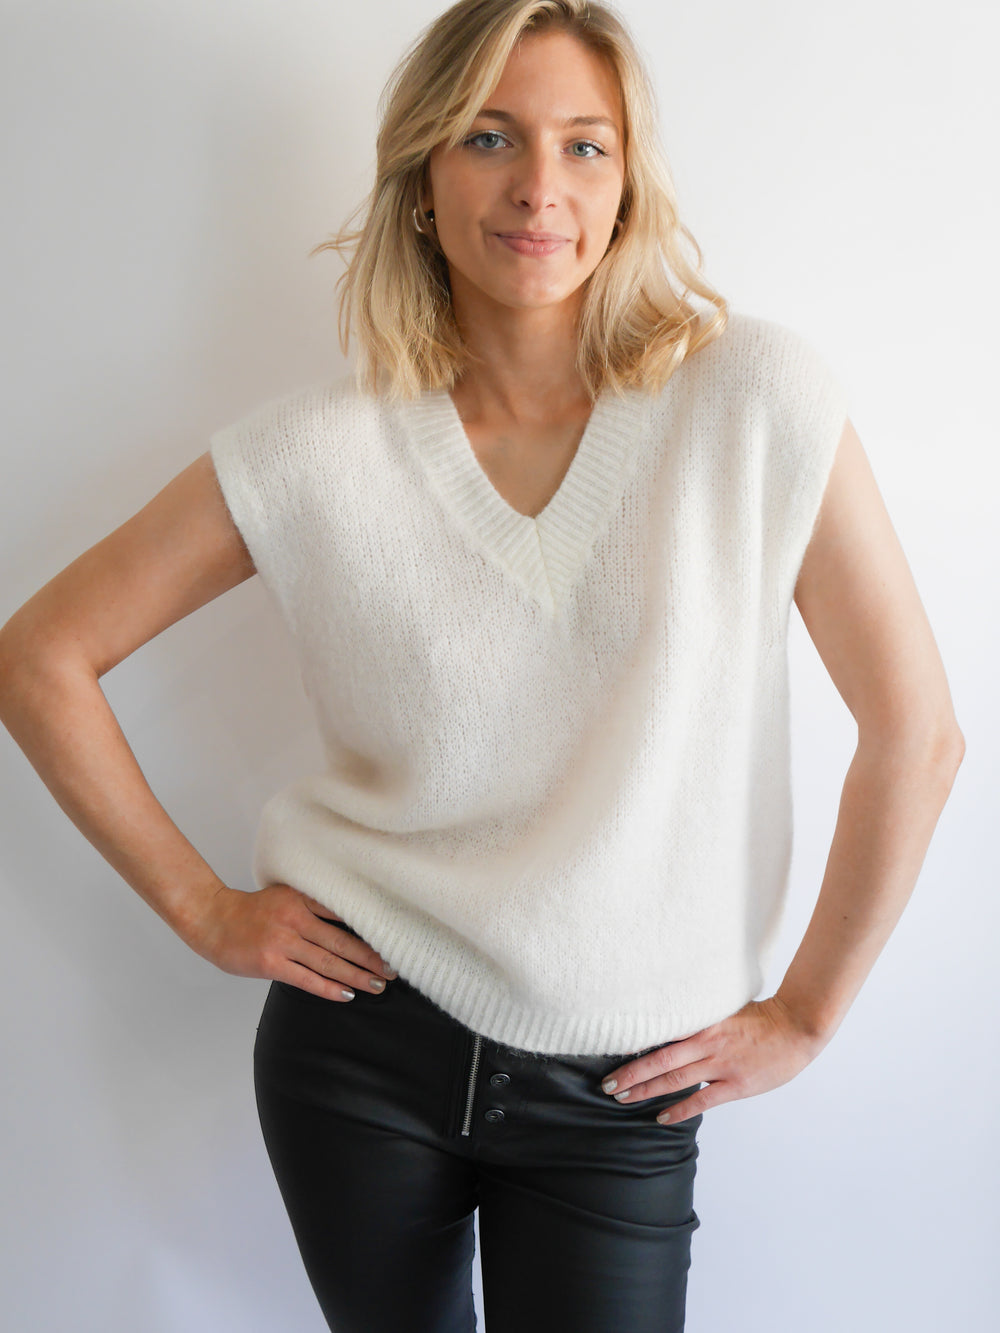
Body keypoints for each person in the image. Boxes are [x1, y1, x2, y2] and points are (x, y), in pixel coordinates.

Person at [0, 1, 964, 1330]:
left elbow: (918, 733)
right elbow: (40, 655)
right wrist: (205, 909)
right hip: (359, 1054)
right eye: (490, 137)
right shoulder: (313, 452)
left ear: (629, 184)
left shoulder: (756, 401)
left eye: (585, 145)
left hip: (622, 1085)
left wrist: (806, 1012)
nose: (538, 187)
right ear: (422, 176)